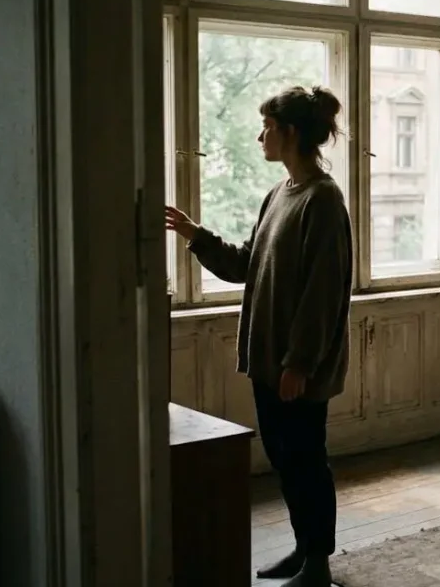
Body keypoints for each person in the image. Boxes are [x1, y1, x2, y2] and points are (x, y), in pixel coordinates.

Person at [165, 85, 352, 587]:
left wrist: (299, 363)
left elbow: (323, 293)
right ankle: (302, 549)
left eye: (267, 127)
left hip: (295, 365)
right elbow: (248, 263)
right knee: (285, 458)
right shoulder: (279, 195)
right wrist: (195, 235)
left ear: (290, 133)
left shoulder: (323, 200)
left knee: (307, 460)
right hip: (271, 360)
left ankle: (318, 563)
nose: (259, 136)